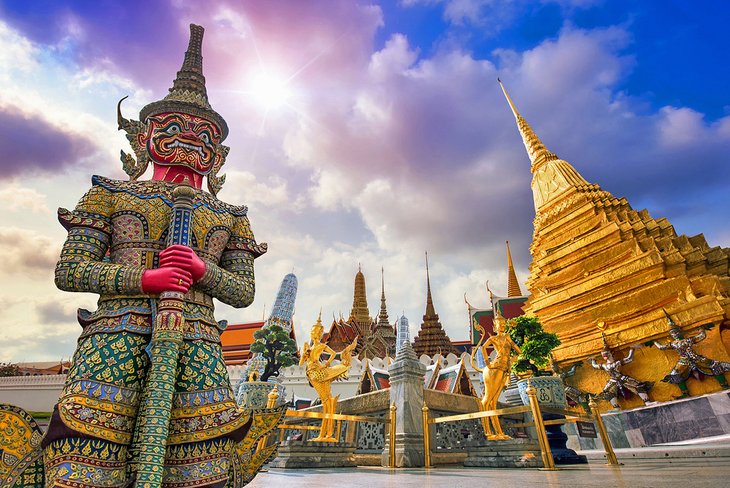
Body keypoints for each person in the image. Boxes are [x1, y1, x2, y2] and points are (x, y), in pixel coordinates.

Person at [42, 25, 274, 487]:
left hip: (198, 345)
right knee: (86, 465)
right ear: (144, 135)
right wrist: (146, 280)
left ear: (219, 153)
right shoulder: (108, 195)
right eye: (172, 128)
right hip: (115, 338)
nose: (189, 139)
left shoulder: (231, 216)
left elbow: (244, 292)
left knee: (201, 471)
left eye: (203, 133)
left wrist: (201, 270)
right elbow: (69, 271)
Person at [300, 314, 358, 441]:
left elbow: (332, 354)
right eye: (313, 331)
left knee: (327, 402)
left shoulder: (321, 346)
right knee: (327, 401)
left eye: (317, 331)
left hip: (318, 374)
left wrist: (325, 364)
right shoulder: (309, 347)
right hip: (312, 374)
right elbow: (300, 364)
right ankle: (325, 434)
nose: (314, 333)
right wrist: (304, 355)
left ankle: (328, 434)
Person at [470, 309, 521, 440]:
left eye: (504, 324)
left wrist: (518, 338)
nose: (502, 326)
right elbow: (483, 348)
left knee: (493, 402)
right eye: (500, 324)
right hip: (495, 367)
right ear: (494, 326)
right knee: (487, 400)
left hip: (505, 368)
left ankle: (499, 432)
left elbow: (518, 350)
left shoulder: (507, 337)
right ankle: (487, 431)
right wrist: (488, 364)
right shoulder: (493, 338)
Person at [654, 312, 730, 397]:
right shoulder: (674, 344)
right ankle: (685, 393)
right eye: (673, 334)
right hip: (684, 361)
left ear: (680, 332)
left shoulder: (688, 340)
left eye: (676, 332)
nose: (675, 334)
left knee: (715, 365)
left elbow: (702, 336)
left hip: (696, 358)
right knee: (674, 374)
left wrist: (701, 328)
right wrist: (654, 341)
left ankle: (725, 385)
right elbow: (661, 347)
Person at [590, 337, 652, 409]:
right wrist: (593, 360)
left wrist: (632, 349)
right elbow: (594, 366)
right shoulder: (604, 365)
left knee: (637, 385)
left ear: (611, 353)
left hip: (621, 378)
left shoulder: (617, 363)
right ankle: (616, 408)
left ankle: (647, 402)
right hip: (613, 380)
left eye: (606, 353)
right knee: (608, 392)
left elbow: (629, 358)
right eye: (603, 354)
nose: (604, 355)